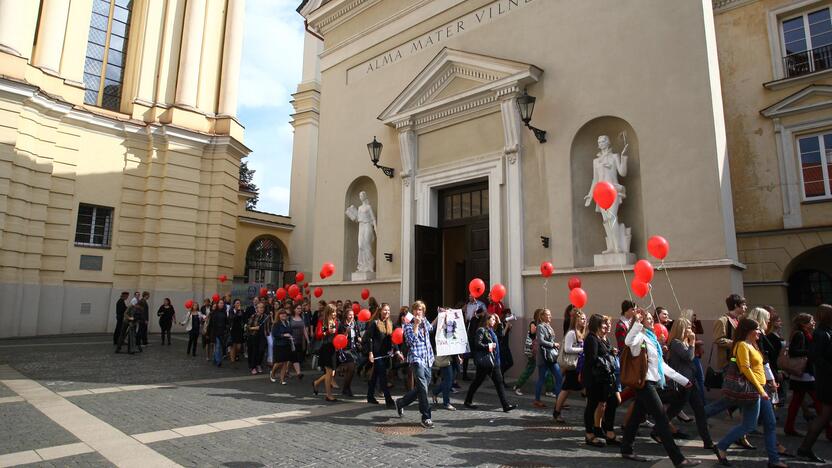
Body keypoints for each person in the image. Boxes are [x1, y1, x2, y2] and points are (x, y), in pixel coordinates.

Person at [621, 309, 699, 467]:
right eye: (647, 318)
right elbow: (628, 341)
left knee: (635, 418)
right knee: (662, 420)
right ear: (640, 322)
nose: (650, 320)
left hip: (652, 383)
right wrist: (636, 322)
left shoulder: (652, 339)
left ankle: (626, 448)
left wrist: (684, 381)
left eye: (650, 318)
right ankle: (678, 459)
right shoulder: (639, 337)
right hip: (645, 384)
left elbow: (661, 366)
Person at [713, 318, 786, 468]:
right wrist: (760, 390)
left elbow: (760, 366)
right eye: (757, 329)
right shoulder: (741, 345)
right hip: (753, 390)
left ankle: (774, 460)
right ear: (748, 330)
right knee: (749, 425)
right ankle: (721, 446)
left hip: (761, 389)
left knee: (770, 423)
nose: (760, 331)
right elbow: (745, 369)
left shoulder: (753, 344)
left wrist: (768, 383)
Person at [663, 317, 713, 449]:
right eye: (688, 328)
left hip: (691, 381)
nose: (690, 331)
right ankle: (657, 430)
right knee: (674, 410)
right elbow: (689, 356)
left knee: (699, 411)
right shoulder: (676, 343)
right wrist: (692, 342)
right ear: (682, 329)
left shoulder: (683, 342)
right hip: (683, 383)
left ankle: (707, 441)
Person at [797, 304, 832, 463]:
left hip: (827, 379)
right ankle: (805, 448)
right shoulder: (821, 333)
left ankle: (805, 448)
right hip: (827, 381)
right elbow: (815, 357)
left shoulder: (826, 332)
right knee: (824, 416)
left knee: (824, 416)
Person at [394, 301, 436, 428]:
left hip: (428, 358)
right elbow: (411, 341)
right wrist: (416, 326)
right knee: (422, 386)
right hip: (416, 359)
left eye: (421, 310)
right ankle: (426, 417)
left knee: (422, 387)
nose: (419, 312)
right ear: (413, 311)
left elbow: (431, 329)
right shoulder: (407, 324)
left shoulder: (425, 321)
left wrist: (440, 316)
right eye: (417, 309)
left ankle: (401, 403)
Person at [463, 313, 516, 412]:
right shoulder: (481, 330)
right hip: (486, 362)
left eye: (495, 320)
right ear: (487, 320)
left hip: (494, 362)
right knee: (477, 382)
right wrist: (489, 346)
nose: (494, 321)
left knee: (499, 383)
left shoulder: (491, 331)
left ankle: (505, 405)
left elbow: (501, 335)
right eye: (493, 319)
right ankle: (468, 400)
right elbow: (477, 344)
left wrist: (500, 321)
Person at [582, 314, 619, 447]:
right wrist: (608, 356)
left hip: (604, 378)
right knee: (592, 406)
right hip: (594, 379)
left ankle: (607, 431)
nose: (605, 325)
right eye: (603, 323)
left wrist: (611, 352)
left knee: (612, 402)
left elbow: (604, 353)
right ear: (596, 325)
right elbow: (592, 360)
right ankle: (589, 434)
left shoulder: (601, 338)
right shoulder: (591, 339)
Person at [513, 309, 554, 397]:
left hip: (539, 351)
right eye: (543, 315)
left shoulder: (544, 325)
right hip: (533, 351)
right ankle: (517, 386)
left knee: (544, 370)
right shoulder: (534, 323)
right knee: (531, 370)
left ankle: (549, 390)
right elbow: (533, 332)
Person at [553, 309, 586, 423]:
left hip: (579, 366)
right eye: (582, 318)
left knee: (581, 388)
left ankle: (591, 414)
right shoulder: (571, 333)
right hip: (572, 366)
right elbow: (568, 348)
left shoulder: (581, 332)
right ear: (576, 320)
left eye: (585, 318)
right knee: (566, 389)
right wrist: (582, 349)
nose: (584, 320)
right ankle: (556, 412)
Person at [366, 303, 398, 407]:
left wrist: (397, 351)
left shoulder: (390, 323)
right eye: (385, 310)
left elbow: (394, 339)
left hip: (386, 354)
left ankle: (370, 396)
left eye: (388, 310)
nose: (387, 312)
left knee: (375, 375)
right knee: (383, 376)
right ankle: (389, 399)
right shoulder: (374, 323)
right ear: (380, 311)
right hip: (377, 354)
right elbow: (369, 338)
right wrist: (370, 352)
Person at [534, 308, 562, 408]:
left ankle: (559, 400)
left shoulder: (548, 326)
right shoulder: (540, 327)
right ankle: (537, 400)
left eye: (550, 314)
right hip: (544, 357)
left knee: (559, 377)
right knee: (542, 378)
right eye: (548, 315)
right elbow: (541, 341)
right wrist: (553, 344)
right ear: (542, 316)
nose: (550, 316)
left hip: (551, 357)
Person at [313, 304, 339, 402]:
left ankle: (316, 382)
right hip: (326, 348)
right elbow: (319, 335)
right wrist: (328, 331)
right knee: (329, 373)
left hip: (333, 348)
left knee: (331, 372)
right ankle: (328, 395)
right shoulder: (323, 321)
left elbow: (336, 335)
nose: (335, 314)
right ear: (328, 312)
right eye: (333, 312)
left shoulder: (335, 322)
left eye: (335, 311)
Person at [462, 294, 487, 380]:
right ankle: (464, 374)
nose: (469, 297)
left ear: (475, 296)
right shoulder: (468, 305)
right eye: (469, 296)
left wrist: (477, 315)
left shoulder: (480, 304)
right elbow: (465, 316)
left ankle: (478, 374)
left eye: (471, 296)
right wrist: (464, 311)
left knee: (476, 352)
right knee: (466, 353)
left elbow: (485, 313)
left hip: (476, 329)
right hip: (468, 328)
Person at [337, 308, 359, 397]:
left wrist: (361, 339)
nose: (352, 316)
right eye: (350, 315)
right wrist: (346, 332)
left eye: (353, 315)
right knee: (352, 367)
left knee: (351, 370)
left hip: (353, 349)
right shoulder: (342, 325)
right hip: (345, 349)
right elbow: (341, 339)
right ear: (346, 315)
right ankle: (346, 388)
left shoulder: (355, 324)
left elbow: (357, 336)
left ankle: (346, 387)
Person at [271, 309, 294, 382]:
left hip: (287, 344)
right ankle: (272, 372)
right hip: (278, 345)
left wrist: (290, 336)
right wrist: (284, 335)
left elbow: (290, 331)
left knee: (285, 362)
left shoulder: (287, 323)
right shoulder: (276, 323)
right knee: (279, 362)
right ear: (279, 315)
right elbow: (274, 334)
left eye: (285, 314)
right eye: (282, 314)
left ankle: (282, 379)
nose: (284, 315)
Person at [246, 302, 267, 374]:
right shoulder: (253, 316)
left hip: (263, 336)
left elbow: (268, 327)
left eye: (262, 307)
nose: (261, 309)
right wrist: (254, 328)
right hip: (254, 336)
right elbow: (248, 327)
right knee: (254, 352)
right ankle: (253, 367)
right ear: (257, 309)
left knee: (261, 351)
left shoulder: (266, 317)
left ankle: (258, 364)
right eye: (259, 307)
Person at [288, 303, 308, 380]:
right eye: (298, 308)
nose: (299, 310)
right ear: (294, 309)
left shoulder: (302, 317)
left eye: (300, 308)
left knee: (291, 358)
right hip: (291, 341)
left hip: (299, 340)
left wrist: (307, 340)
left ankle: (286, 371)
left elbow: (304, 329)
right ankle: (298, 373)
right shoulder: (290, 318)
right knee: (294, 356)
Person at [207, 300, 228, 367]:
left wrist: (226, 329)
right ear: (217, 304)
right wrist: (208, 333)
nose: (221, 304)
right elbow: (210, 324)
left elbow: (226, 322)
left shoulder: (224, 312)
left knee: (219, 347)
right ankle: (219, 361)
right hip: (215, 332)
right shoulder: (214, 313)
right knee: (218, 346)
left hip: (222, 332)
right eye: (220, 303)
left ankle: (215, 359)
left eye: (222, 303)